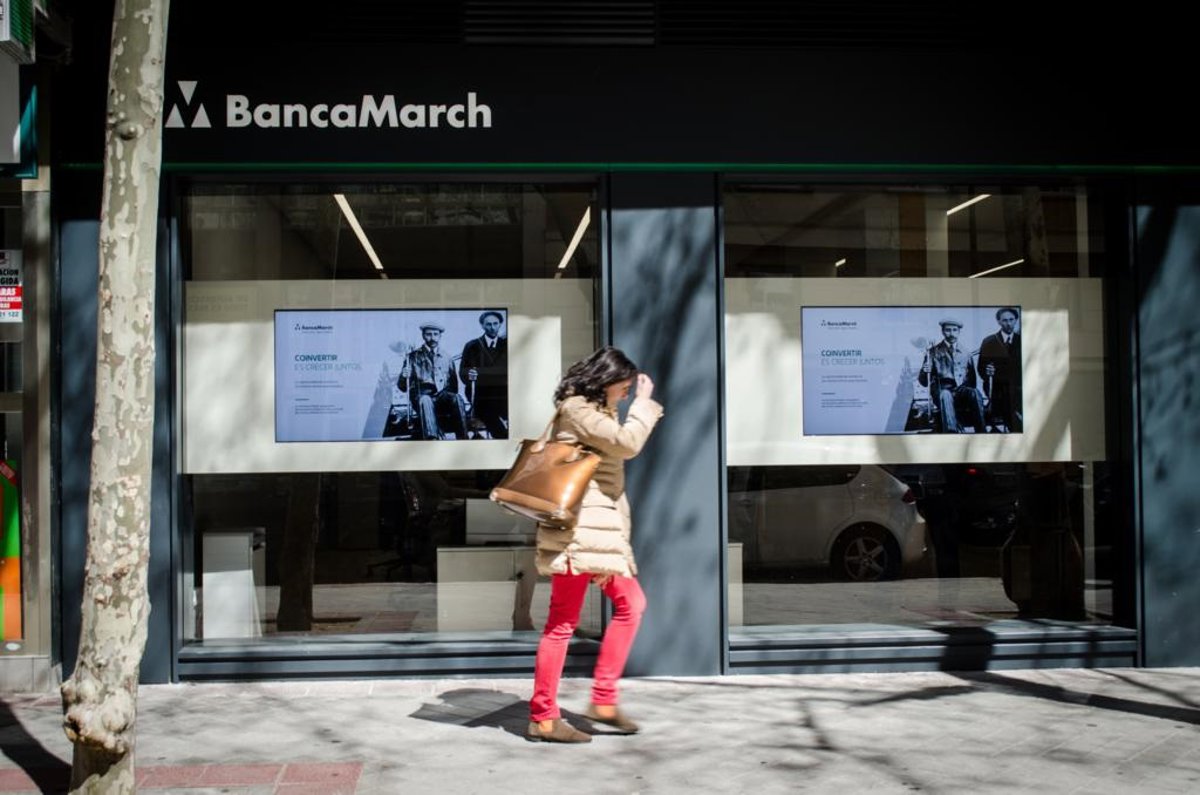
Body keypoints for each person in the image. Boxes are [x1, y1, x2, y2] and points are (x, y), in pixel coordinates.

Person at [527, 346, 663, 743]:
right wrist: (643, 404)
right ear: (606, 380)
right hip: (581, 534)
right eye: (624, 387)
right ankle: (545, 716)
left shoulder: (594, 411)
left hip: (596, 533)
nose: (626, 393)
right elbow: (627, 443)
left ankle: (600, 700)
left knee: (628, 605)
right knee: (563, 623)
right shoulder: (578, 410)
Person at [400, 321, 468, 440]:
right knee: (426, 400)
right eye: (429, 334)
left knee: (456, 398)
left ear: (440, 336)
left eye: (436, 334)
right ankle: (432, 438)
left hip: (442, 398)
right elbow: (403, 387)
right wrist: (404, 376)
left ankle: (463, 437)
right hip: (422, 398)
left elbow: (454, 386)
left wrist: (449, 397)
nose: (432, 338)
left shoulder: (447, 357)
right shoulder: (413, 357)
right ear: (423, 336)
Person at [919, 318, 986, 433]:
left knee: (974, 392)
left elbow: (972, 381)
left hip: (960, 391)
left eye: (955, 330)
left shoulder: (966, 353)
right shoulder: (933, 352)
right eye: (948, 330)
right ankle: (951, 432)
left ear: (959, 332)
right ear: (942, 332)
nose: (951, 333)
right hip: (942, 391)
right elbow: (924, 382)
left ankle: (982, 431)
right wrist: (925, 371)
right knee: (946, 395)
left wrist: (969, 393)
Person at [458, 310, 509, 439]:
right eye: (488, 324)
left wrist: (481, 372)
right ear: (482, 325)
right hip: (479, 393)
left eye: (495, 324)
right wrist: (469, 374)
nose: (492, 327)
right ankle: (503, 438)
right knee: (487, 411)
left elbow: (506, 371)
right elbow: (463, 372)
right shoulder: (472, 346)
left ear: (500, 324)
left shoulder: (507, 345)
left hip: (502, 392)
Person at [977, 307, 1023, 432]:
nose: (1009, 324)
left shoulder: (1021, 341)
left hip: (1017, 386)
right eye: (1005, 320)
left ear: (1016, 320)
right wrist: (987, 371)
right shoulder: (989, 341)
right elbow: (981, 368)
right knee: (1006, 398)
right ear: (998, 322)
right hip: (996, 386)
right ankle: (1014, 428)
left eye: (1011, 320)